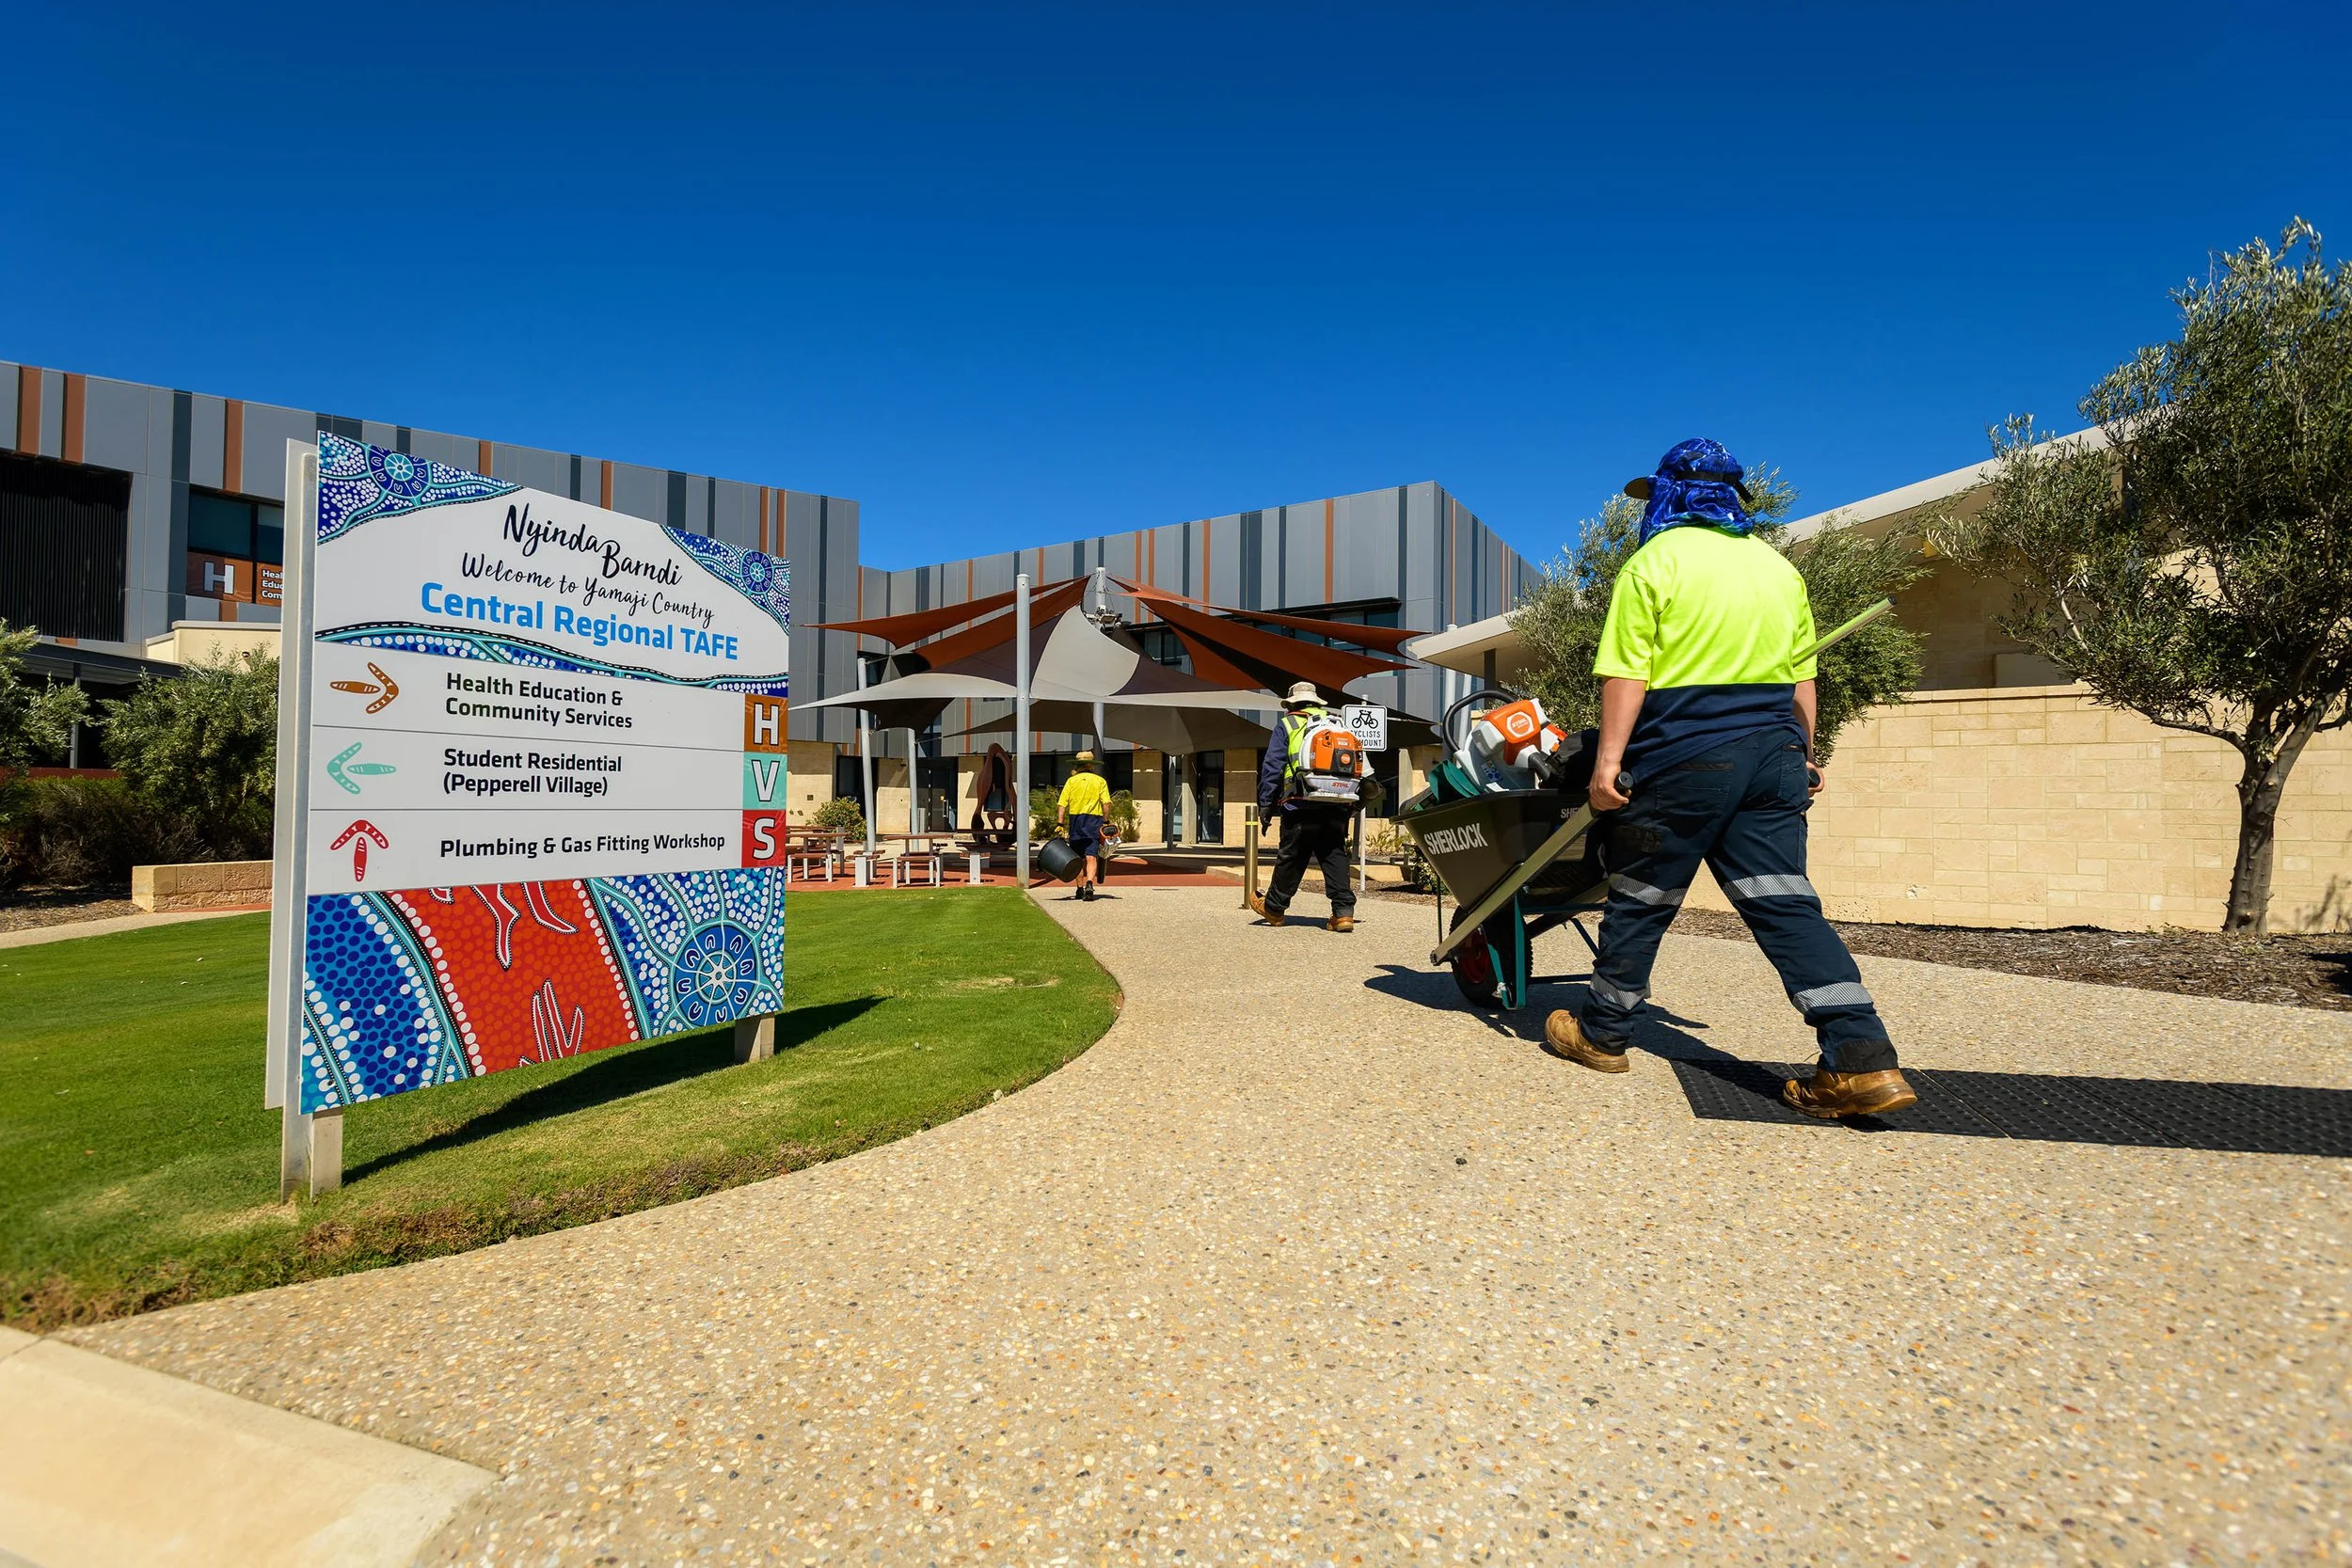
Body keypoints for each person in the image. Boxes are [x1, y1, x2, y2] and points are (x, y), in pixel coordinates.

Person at [1542, 438, 1916, 1119]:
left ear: (1668, 495)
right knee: (1787, 905)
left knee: (1641, 898)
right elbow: (1803, 675)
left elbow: (1628, 672)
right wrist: (1803, 752)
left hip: (1684, 754)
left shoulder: (1652, 564)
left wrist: (1604, 767)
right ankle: (1861, 1057)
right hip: (1773, 755)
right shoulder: (1778, 570)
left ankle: (1602, 1033)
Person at [1250, 681, 1365, 933]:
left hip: (1299, 801)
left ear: (1292, 704)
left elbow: (1272, 767)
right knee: (1333, 853)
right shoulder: (1336, 722)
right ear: (1315, 703)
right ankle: (1343, 912)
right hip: (1336, 799)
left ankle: (1274, 909)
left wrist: (1266, 804)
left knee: (1292, 854)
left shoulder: (1288, 724)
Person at [1057, 750, 1112, 901]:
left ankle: (1079, 889)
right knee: (1091, 856)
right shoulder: (1100, 781)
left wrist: (1060, 823)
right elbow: (1106, 804)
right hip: (1094, 822)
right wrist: (1106, 821)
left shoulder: (1071, 781)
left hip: (1076, 822)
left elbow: (1062, 804)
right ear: (1091, 765)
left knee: (1077, 858)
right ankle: (1089, 884)